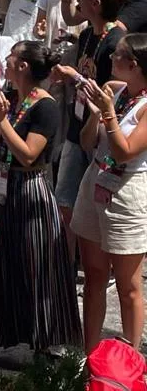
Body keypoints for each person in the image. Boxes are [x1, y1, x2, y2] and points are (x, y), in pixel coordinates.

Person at [0, 42, 81, 358]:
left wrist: (2, 122)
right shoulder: (14, 99)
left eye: (10, 58)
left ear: (23, 65)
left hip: (30, 190)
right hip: (4, 189)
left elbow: (27, 154)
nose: (6, 63)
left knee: (37, 266)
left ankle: (44, 342)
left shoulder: (46, 106)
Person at [68, 33, 147, 352]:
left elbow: (126, 150)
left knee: (128, 286)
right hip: (95, 181)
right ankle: (90, 356)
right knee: (94, 277)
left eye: (118, 55)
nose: (111, 57)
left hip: (126, 193)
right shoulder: (114, 92)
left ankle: (131, 362)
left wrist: (109, 114)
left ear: (134, 65)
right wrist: (96, 114)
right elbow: (88, 143)